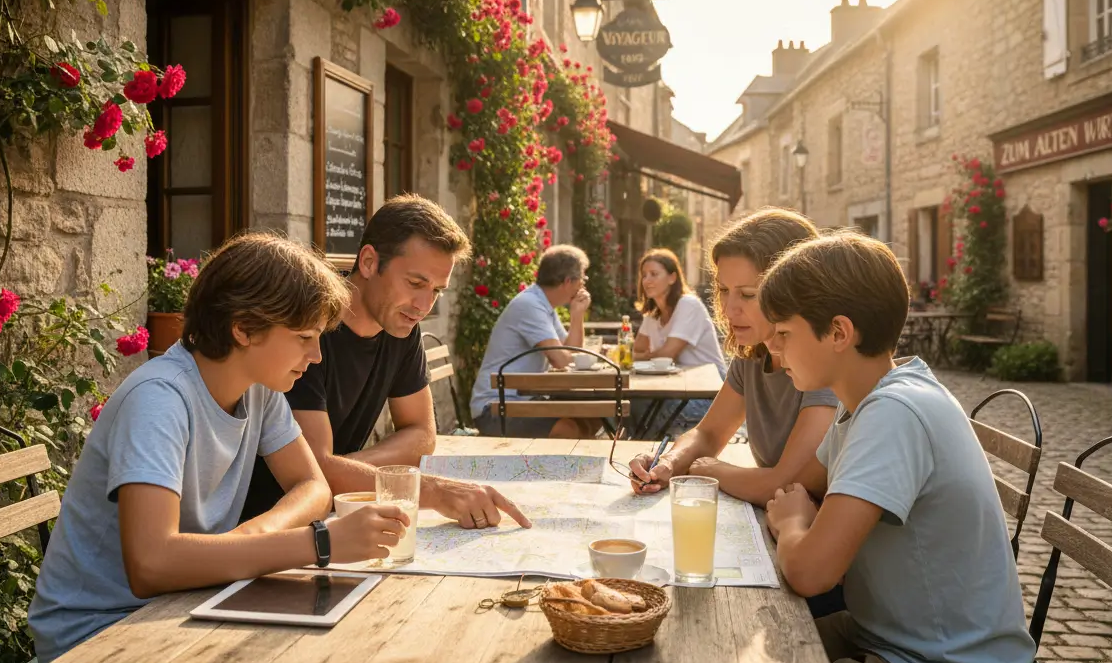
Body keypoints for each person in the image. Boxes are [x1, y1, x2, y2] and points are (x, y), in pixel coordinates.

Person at [28, 234, 410, 663]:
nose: (317, 356)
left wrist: (251, 538)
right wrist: (319, 543)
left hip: (187, 604)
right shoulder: (160, 399)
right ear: (244, 328)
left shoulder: (259, 391)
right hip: (97, 636)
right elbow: (151, 564)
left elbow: (312, 485)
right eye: (304, 336)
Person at [760, 232, 1036, 663]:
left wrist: (792, 524)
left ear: (838, 332)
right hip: (888, 635)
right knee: (747, 636)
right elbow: (809, 482)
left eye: (784, 333)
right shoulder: (869, 399)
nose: (771, 348)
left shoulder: (893, 412)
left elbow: (811, 572)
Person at [241, 195, 530, 531]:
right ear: (368, 262)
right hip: (267, 528)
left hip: (333, 518)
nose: (424, 305)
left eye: (437, 290)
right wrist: (429, 489)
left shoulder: (401, 325)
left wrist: (353, 469)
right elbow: (315, 469)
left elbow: (422, 434)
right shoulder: (308, 331)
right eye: (415, 283)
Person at [626, 209, 842, 617]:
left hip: (818, 569)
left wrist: (710, 471)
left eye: (747, 294)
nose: (728, 309)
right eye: (723, 291)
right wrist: (668, 463)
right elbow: (709, 433)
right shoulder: (752, 353)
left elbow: (787, 481)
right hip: (777, 543)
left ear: (791, 291)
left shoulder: (820, 362)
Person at [469, 245, 595, 438]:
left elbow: (572, 354)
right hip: (495, 408)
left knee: (589, 419)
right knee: (569, 429)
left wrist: (577, 316)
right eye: (582, 279)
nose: (583, 286)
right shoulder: (529, 305)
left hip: (521, 402)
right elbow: (561, 360)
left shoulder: (543, 305)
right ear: (568, 281)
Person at [631, 248, 727, 432]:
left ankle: (648, 449)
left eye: (654, 274)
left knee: (639, 407)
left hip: (709, 395)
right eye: (644, 275)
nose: (647, 280)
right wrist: (650, 356)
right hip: (674, 390)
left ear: (672, 278)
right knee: (627, 404)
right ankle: (644, 449)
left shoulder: (688, 304)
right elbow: (634, 353)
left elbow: (668, 354)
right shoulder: (652, 316)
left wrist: (647, 356)